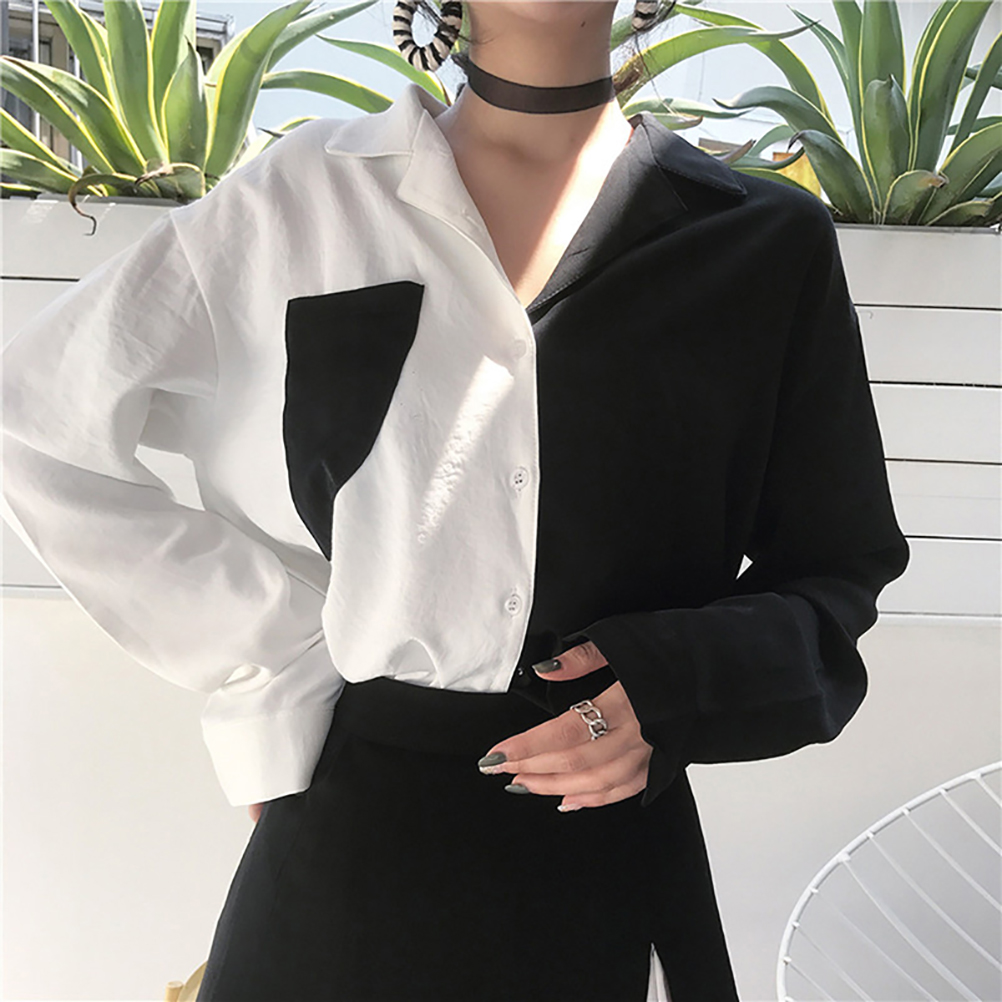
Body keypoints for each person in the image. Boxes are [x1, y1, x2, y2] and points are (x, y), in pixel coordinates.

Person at [0, 1, 911, 999]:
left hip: (604, 863)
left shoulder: (764, 244)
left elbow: (836, 569)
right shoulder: (301, 199)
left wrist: (678, 685)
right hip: (345, 849)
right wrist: (274, 667)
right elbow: (34, 423)